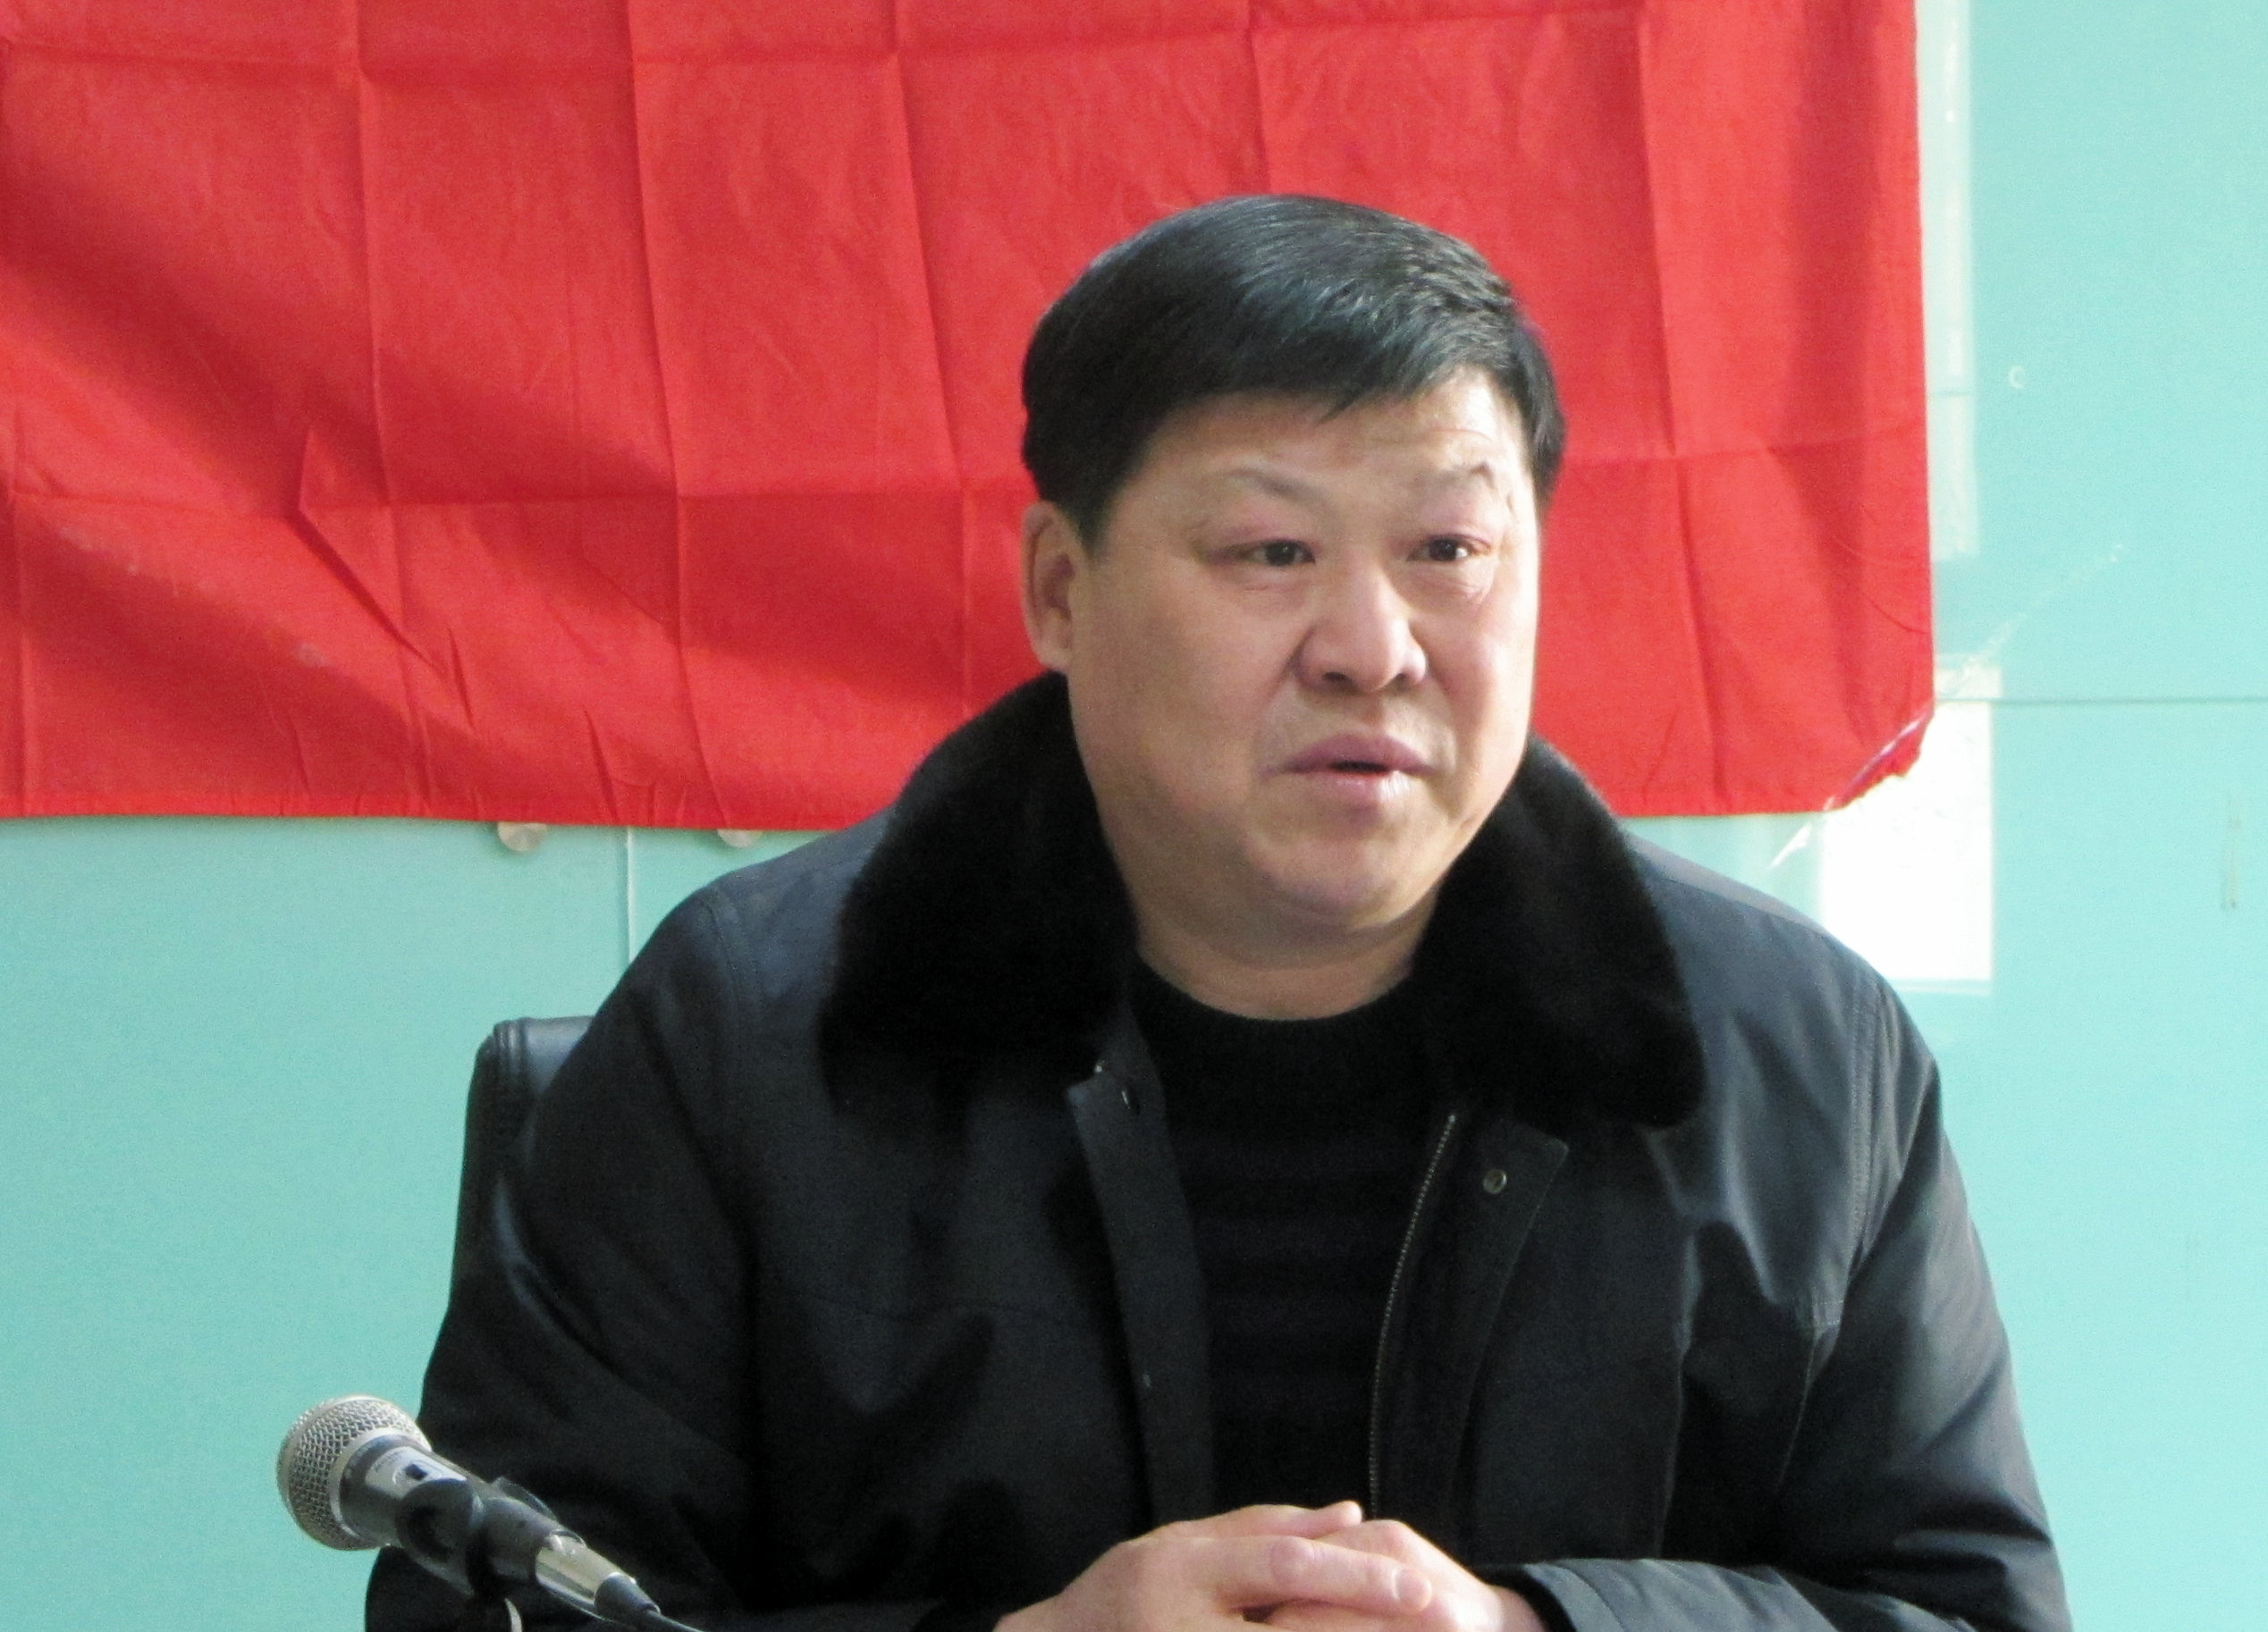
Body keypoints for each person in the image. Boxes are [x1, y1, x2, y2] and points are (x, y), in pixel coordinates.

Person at [371, 196, 2069, 1632]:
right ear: (1061, 588)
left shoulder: (1792, 1053)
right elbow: (490, 1610)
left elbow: (1961, 1606)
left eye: (1448, 551)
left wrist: (1537, 1625)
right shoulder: (749, 1033)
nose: (1371, 648)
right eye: (1270, 552)